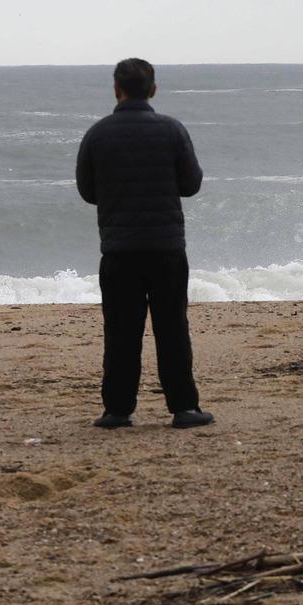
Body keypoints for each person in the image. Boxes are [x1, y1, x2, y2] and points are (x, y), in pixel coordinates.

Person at [76, 58, 214, 429]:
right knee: (171, 328)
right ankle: (184, 408)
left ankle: (117, 410)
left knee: (120, 331)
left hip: (119, 250)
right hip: (166, 247)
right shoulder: (171, 130)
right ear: (153, 90)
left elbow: (87, 191)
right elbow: (191, 184)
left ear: (116, 89)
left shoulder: (98, 134)